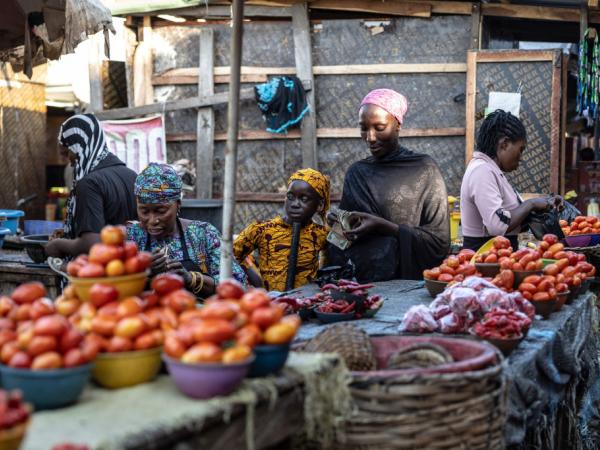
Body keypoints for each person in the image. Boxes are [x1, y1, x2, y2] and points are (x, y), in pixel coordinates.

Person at [327, 88, 450, 281]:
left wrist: (386, 227)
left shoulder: (423, 169)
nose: (370, 137)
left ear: (398, 124)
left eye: (379, 127)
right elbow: (342, 239)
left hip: (407, 283)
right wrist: (338, 224)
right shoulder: (357, 173)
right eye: (363, 128)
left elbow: (438, 241)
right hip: (363, 283)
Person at [127, 163, 247, 297]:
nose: (152, 220)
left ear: (178, 204)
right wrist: (144, 273)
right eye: (144, 211)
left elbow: (237, 284)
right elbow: (111, 286)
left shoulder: (203, 234)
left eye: (161, 211)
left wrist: (191, 279)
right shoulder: (130, 238)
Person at [460, 110, 562, 251]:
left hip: (496, 257)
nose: (520, 157)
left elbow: (511, 219)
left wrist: (546, 204)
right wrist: (530, 204)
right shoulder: (482, 171)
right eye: (520, 149)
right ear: (504, 144)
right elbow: (498, 225)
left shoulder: (491, 170)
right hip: (484, 258)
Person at [45, 114, 137, 258]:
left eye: (67, 153)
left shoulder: (89, 184)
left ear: (79, 147)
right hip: (130, 266)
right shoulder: (132, 175)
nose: (70, 161)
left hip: (103, 270)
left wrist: (57, 245)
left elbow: (91, 244)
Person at [233, 168, 330, 292]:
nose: (295, 204)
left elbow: (330, 263)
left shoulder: (321, 234)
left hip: (305, 302)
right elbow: (230, 256)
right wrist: (256, 282)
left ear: (320, 205)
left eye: (304, 199)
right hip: (269, 304)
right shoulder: (261, 229)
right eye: (290, 196)